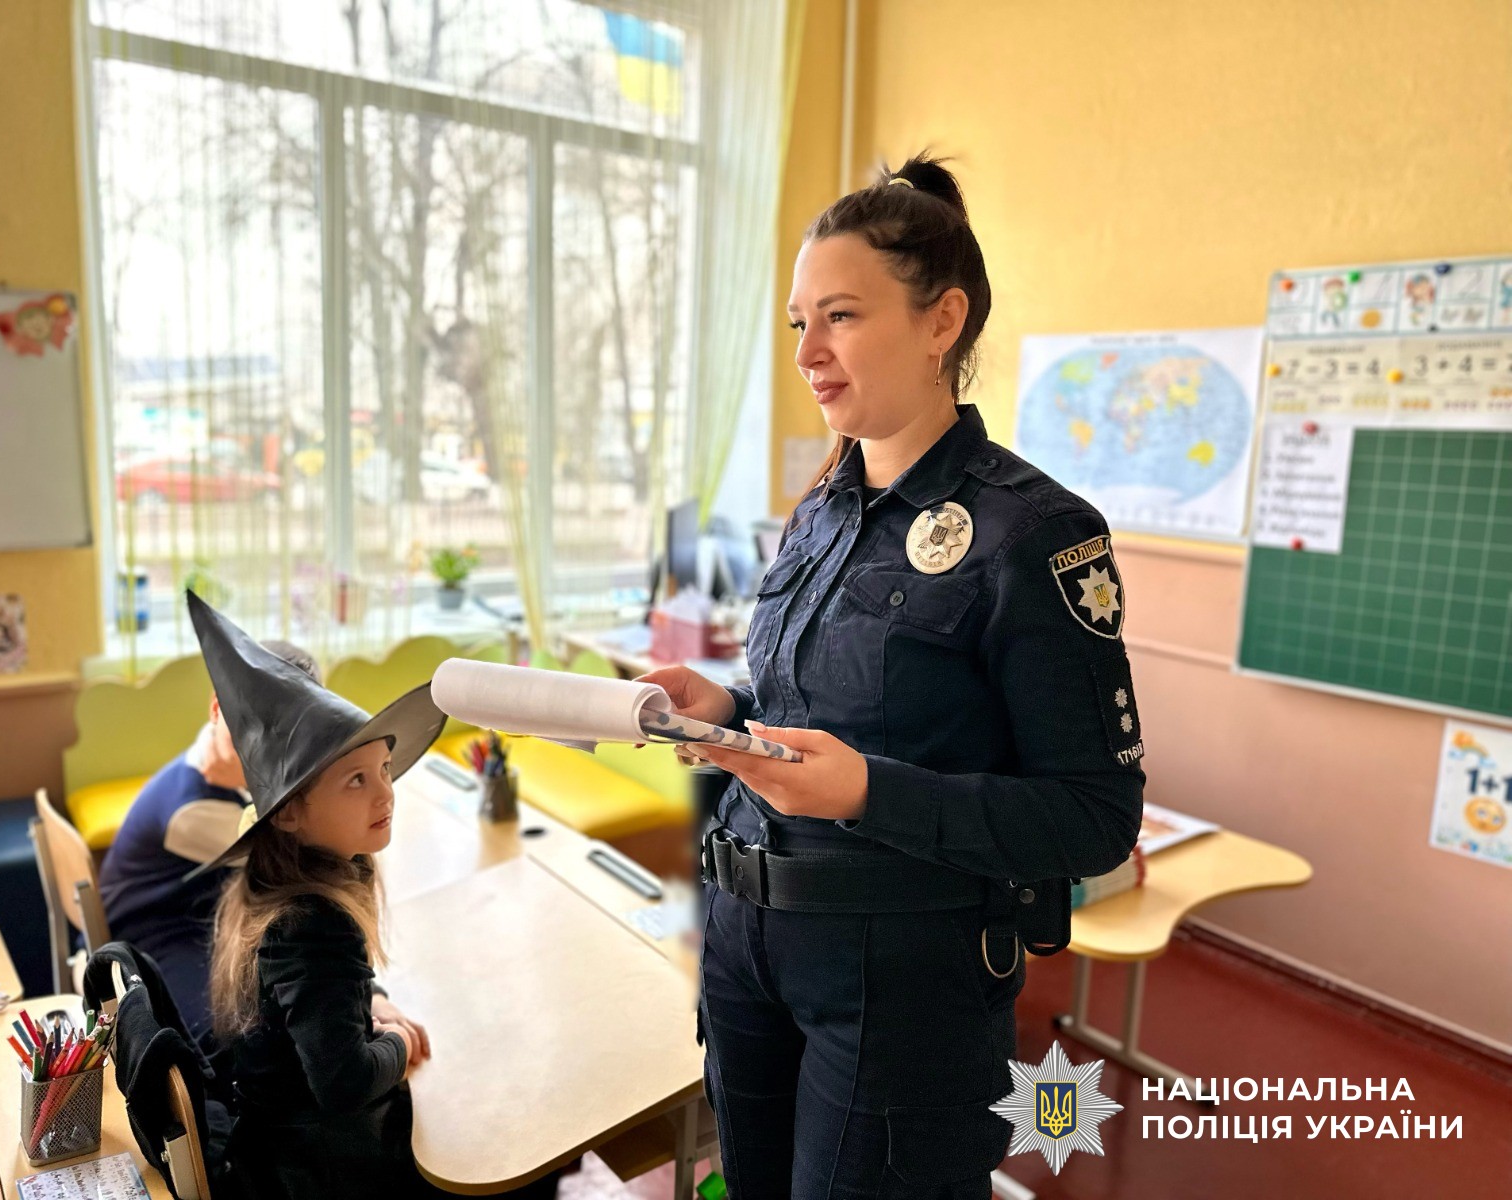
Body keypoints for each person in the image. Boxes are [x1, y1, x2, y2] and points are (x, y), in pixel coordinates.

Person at [640, 154, 1146, 1198]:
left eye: (840, 317)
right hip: (744, 941)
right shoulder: (821, 509)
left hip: (902, 979)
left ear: (940, 321)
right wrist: (725, 708)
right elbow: (817, 703)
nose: (807, 353)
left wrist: (868, 792)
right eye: (799, 323)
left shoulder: (1034, 533)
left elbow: (1094, 816)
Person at [182, 593, 559, 1200]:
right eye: (355, 780)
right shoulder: (311, 923)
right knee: (526, 1154)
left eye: (383, 769)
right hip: (320, 1174)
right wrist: (399, 1042)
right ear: (289, 814)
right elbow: (345, 1084)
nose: (385, 794)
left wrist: (374, 1000)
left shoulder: (272, 888)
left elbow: (314, 997)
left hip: (284, 1152)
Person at [97, 637, 322, 1051]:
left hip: (209, 915)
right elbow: (305, 869)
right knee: (234, 1040)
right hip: (161, 932)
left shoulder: (225, 768)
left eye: (285, 732)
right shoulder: (192, 810)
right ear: (218, 709)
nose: (265, 746)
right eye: (251, 724)